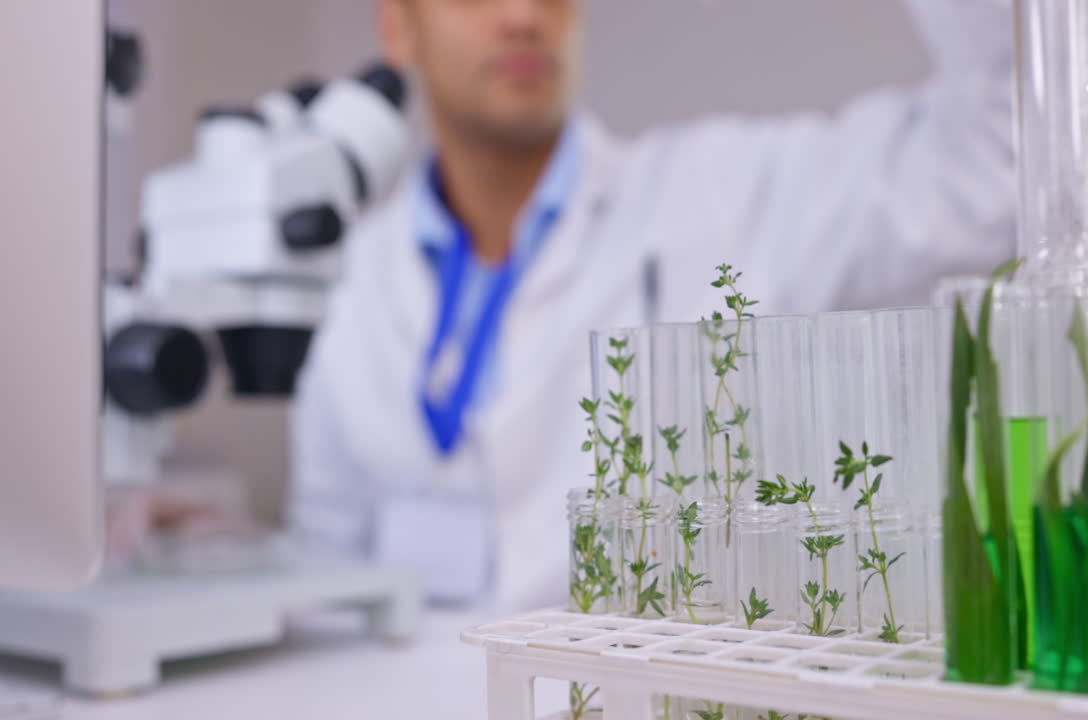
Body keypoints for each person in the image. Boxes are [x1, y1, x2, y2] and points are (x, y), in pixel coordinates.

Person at [289, 0, 1016, 613]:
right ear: (399, 28)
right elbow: (326, 572)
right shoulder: (345, 279)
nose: (522, 17)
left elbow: (990, 159)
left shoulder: (724, 196)